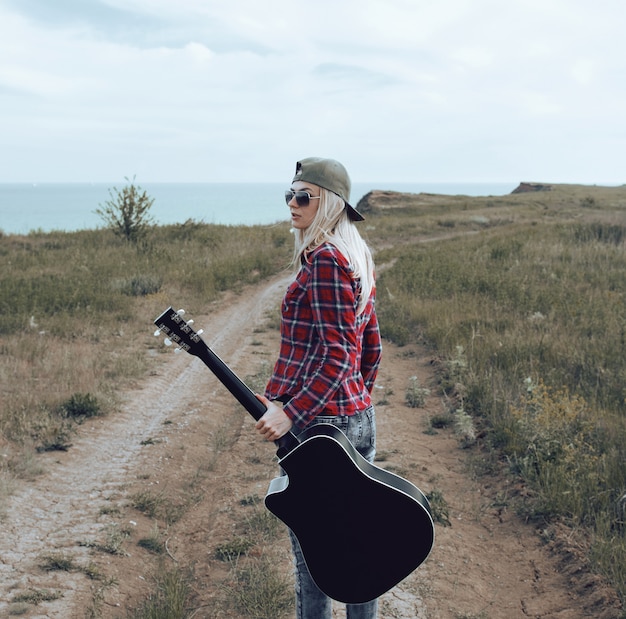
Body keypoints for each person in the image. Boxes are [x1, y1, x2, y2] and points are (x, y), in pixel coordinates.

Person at [255, 157, 382, 619]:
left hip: (324, 427)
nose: (292, 203)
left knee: (318, 554)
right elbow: (370, 350)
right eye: (289, 194)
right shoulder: (354, 255)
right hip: (350, 419)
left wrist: (294, 411)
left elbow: (339, 355)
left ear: (327, 204)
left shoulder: (327, 260)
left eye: (303, 196)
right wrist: (354, 400)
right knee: (357, 548)